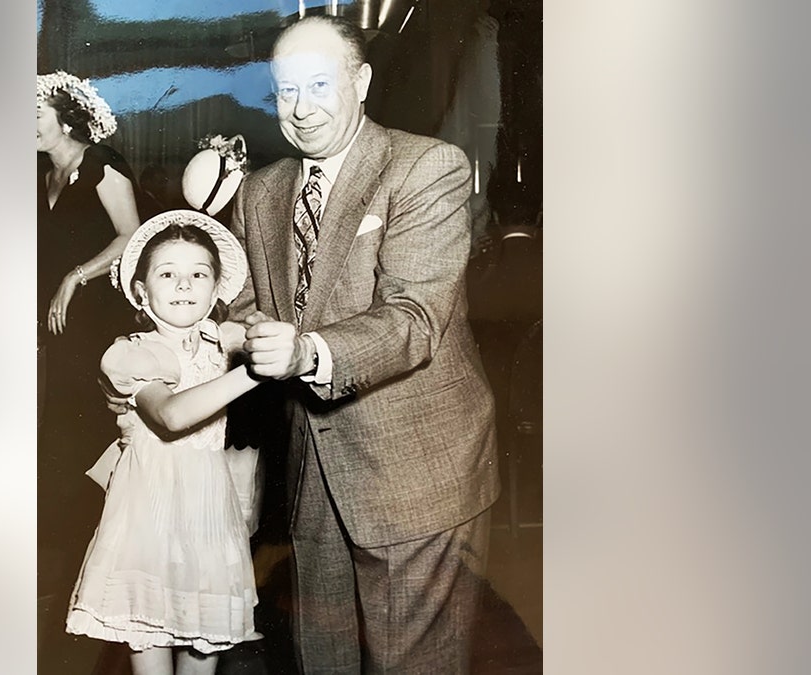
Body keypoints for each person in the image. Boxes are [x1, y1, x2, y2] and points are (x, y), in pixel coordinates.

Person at [230, 15, 501, 672]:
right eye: (285, 90)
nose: (301, 108)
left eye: (319, 84)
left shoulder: (423, 167)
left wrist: (305, 352)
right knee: (323, 654)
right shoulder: (259, 193)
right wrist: (229, 331)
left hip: (417, 467)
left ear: (363, 80)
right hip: (311, 474)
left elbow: (412, 317)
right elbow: (241, 303)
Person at [67, 210, 262, 675]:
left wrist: (261, 334)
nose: (183, 285)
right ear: (141, 290)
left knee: (203, 653)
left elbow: (262, 327)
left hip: (210, 517)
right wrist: (254, 370)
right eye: (167, 274)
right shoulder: (132, 352)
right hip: (148, 515)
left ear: (217, 290)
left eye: (199, 274)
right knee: (148, 637)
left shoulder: (224, 341)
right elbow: (171, 416)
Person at [36, 71, 141, 640]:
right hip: (56, 328)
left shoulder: (102, 165)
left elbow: (132, 234)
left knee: (90, 441)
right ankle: (75, 578)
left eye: (35, 114)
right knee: (58, 444)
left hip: (96, 323)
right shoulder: (37, 174)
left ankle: (109, 575)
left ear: (66, 118)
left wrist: (77, 278)